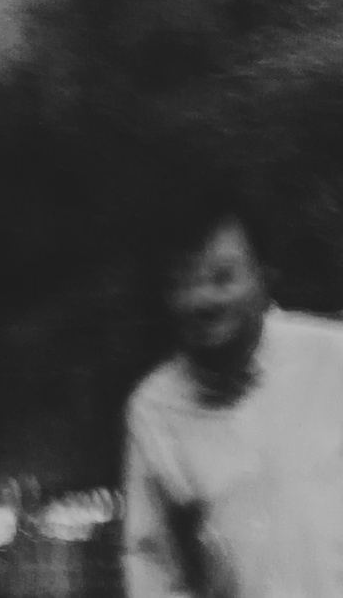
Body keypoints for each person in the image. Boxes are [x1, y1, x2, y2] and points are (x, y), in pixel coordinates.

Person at [121, 198, 343, 598]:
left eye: (222, 278)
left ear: (264, 276)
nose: (202, 299)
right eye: (183, 282)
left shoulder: (332, 361)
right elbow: (153, 564)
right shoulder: (155, 408)